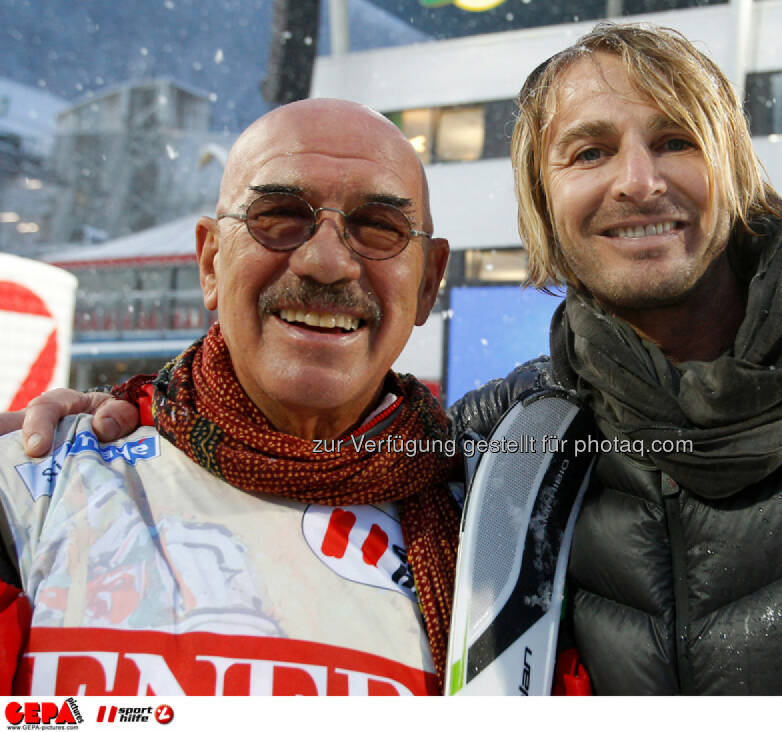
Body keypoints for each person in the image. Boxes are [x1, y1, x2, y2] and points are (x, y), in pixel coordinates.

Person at [9, 22, 782, 695]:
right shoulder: (503, 441)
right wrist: (154, 412)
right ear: (543, 208)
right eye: (586, 152)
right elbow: (275, 444)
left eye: (675, 140)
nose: (635, 181)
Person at [0, 98, 459, 695]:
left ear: (427, 283)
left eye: (378, 227)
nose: (325, 262)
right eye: (280, 215)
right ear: (211, 261)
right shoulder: (32, 486)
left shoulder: (497, 523)